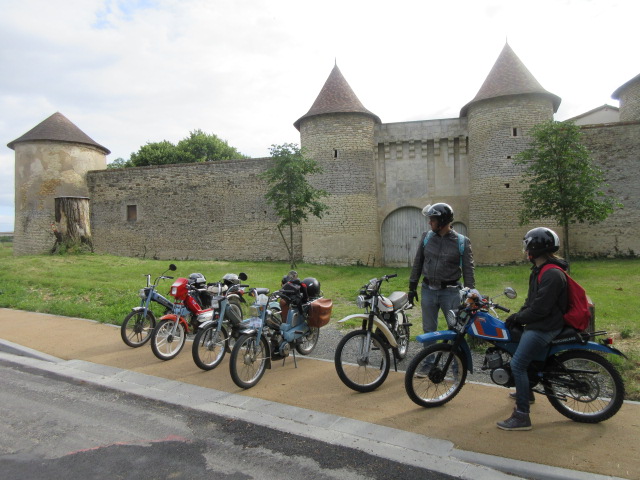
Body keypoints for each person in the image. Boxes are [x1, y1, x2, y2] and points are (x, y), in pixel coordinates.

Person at [497, 227, 568, 431]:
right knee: (516, 346)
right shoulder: (540, 270)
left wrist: (520, 318)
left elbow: (540, 309)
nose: (525, 250)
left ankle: (521, 416)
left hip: (546, 327)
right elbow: (531, 301)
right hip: (541, 322)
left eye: (527, 245)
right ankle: (526, 392)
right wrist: (518, 315)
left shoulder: (552, 274)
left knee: (518, 365)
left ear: (535, 248)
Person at [409, 203, 475, 375]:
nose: (429, 222)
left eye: (433, 219)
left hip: (451, 292)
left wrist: (470, 295)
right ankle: (429, 363)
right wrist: (412, 286)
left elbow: (468, 270)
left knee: (455, 331)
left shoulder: (462, 242)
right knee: (428, 330)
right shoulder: (427, 237)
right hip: (428, 290)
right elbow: (418, 262)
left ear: (443, 221)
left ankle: (456, 367)